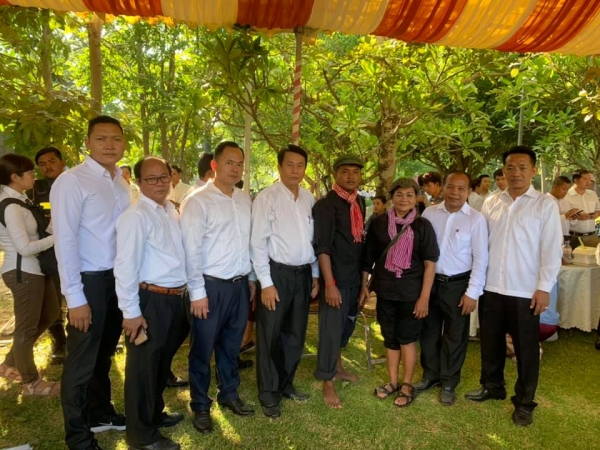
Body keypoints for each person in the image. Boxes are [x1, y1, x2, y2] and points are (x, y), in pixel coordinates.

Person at [465, 146, 562, 427]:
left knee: (526, 350)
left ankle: (524, 402)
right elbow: (481, 245)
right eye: (510, 167)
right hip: (492, 287)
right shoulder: (491, 202)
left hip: (525, 291)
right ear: (504, 171)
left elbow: (552, 249)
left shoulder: (545, 204)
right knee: (490, 343)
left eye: (522, 167)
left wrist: (544, 287)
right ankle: (492, 386)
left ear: (533, 171)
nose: (516, 173)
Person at [52, 115, 131, 450]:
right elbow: (65, 240)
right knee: (81, 362)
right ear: (87, 143)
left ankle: (100, 413)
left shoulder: (120, 182)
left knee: (103, 354)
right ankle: (78, 436)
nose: (109, 145)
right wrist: (75, 297)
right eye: (101, 138)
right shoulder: (72, 181)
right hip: (89, 282)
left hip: (117, 280)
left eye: (116, 138)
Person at [180, 141, 256, 435]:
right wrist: (197, 293)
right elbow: (191, 250)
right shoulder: (197, 201)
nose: (235, 169)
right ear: (215, 165)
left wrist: (251, 280)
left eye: (240, 164)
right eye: (229, 163)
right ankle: (200, 404)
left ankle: (229, 393)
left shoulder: (244, 200)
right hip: (209, 287)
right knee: (202, 348)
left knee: (231, 345)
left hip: (239, 286)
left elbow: (247, 243)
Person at [115, 157, 186, 450]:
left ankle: (154, 415)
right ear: (139, 182)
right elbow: (125, 267)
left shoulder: (170, 210)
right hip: (150, 301)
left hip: (174, 299)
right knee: (142, 370)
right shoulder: (136, 216)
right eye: (151, 178)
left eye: (164, 177)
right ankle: (141, 437)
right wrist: (131, 313)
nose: (159, 183)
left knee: (160, 365)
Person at [250, 144, 319, 418]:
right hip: (276, 275)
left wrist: (315, 274)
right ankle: (269, 392)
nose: (295, 170)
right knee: (270, 334)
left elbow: (313, 241)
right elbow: (257, 243)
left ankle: (285, 383)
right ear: (279, 167)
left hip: (303, 274)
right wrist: (266, 283)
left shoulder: (309, 198)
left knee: (295, 334)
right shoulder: (267, 198)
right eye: (289, 164)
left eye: (300, 165)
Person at [363, 178, 439, 408]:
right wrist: (364, 285)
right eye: (399, 194)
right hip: (386, 291)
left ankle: (407, 384)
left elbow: (430, 264)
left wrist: (424, 298)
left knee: (407, 339)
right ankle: (393, 381)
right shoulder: (379, 223)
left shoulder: (422, 226)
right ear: (392, 197)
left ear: (416, 197)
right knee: (390, 337)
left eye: (409, 195)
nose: (404, 199)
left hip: (411, 293)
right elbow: (369, 258)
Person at [415, 172, 488, 406]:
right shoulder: (429, 213)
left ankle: (448, 382)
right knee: (428, 332)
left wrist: (472, 293)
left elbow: (481, 259)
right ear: (443, 188)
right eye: (451, 187)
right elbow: (420, 250)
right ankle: (430, 375)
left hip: (458, 286)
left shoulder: (476, 219)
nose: (455, 192)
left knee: (455, 336)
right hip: (430, 284)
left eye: (461, 188)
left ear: (468, 192)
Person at [0, 153, 60, 396]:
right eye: (30, 172)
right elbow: (24, 248)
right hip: (23, 271)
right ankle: (31, 383)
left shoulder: (21, 200)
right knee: (25, 329)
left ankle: (9, 363)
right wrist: (57, 238)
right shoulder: (11, 206)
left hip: (35, 269)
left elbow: (36, 235)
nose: (34, 176)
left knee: (51, 313)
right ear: (15, 177)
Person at [311, 154, 368, 409]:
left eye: (356, 171)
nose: (351, 176)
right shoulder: (326, 205)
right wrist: (330, 284)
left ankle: (338, 367)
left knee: (346, 328)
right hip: (335, 280)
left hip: (354, 278)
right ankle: (327, 380)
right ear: (336, 174)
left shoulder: (359, 203)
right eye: (345, 171)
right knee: (331, 331)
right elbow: (322, 247)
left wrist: (364, 283)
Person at [28, 146, 67, 364]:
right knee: (54, 301)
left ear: (62, 162)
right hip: (49, 253)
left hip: (79, 251)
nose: (47, 167)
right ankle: (59, 343)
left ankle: (85, 338)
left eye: (52, 161)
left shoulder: (74, 183)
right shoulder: (34, 190)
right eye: (42, 164)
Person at [566, 169, 600, 248]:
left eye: (589, 179)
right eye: (585, 179)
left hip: (593, 236)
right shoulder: (566, 195)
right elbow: (562, 216)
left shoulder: (592, 194)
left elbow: (598, 210)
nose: (588, 182)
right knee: (573, 256)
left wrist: (595, 215)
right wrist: (577, 217)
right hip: (573, 237)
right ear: (576, 180)